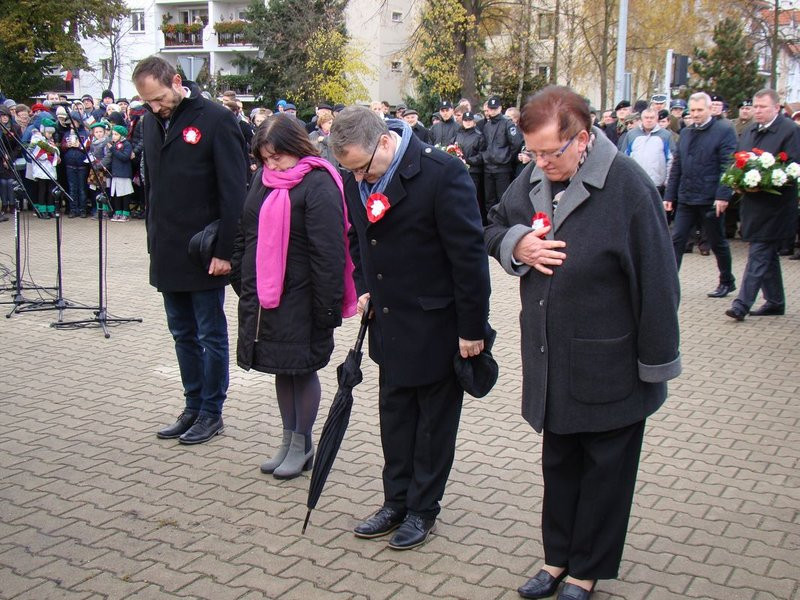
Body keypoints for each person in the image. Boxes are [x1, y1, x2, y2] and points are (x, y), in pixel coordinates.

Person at [485, 86, 681, 600]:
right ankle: (555, 561)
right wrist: (517, 243)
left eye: (553, 151)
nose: (542, 162)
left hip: (611, 363)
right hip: (552, 361)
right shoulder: (533, 178)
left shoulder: (628, 188)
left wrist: (656, 366)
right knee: (559, 465)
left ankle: (585, 571)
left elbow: (660, 285)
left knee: (605, 475)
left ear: (584, 138)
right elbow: (492, 223)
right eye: (534, 151)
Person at [329, 106, 491, 551]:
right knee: (395, 420)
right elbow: (357, 240)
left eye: (362, 168)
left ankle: (423, 509)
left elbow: (469, 258)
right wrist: (363, 287)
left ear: (384, 142)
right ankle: (394, 500)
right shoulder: (353, 175)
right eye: (350, 171)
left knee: (433, 426)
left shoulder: (442, 173)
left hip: (438, 325)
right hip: (388, 323)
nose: (358, 179)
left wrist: (471, 327)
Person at [230, 115, 356, 479]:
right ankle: (288, 440)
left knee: (302, 370)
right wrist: (241, 275)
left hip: (304, 297)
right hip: (267, 297)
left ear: (297, 148)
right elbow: (246, 229)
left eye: (278, 156)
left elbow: (329, 252)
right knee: (281, 369)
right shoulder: (262, 179)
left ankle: (302, 444)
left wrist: (327, 307)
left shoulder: (319, 183)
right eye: (265, 158)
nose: (271, 164)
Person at [133, 55, 247, 444]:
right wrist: (152, 239)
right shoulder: (150, 122)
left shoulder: (216, 119)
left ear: (177, 81)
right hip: (167, 249)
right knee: (181, 333)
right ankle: (192, 405)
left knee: (209, 334)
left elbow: (235, 193)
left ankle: (212, 412)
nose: (154, 107)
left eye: (160, 98)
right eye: (147, 101)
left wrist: (226, 251)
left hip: (204, 250)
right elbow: (154, 188)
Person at [726, 88, 800, 320]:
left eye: (762, 107)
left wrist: (766, 180)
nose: (757, 111)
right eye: (755, 107)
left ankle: (741, 304)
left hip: (776, 205)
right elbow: (739, 160)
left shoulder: (790, 131)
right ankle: (775, 301)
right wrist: (736, 180)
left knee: (759, 251)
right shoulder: (749, 131)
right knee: (765, 254)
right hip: (752, 203)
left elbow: (794, 167)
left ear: (776, 108)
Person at [664, 92, 738, 298]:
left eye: (699, 110)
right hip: (687, 197)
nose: (695, 114)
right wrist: (669, 196)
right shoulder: (686, 133)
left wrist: (723, 195)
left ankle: (727, 280)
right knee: (676, 239)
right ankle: (668, 282)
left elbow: (727, 164)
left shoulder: (724, 131)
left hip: (711, 198)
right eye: (693, 110)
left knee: (717, 241)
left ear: (709, 110)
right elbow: (677, 165)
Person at [481, 95, 523, 214]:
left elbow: (516, 142)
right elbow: (484, 144)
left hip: (502, 168)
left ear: (500, 108)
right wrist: (486, 156)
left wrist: (507, 157)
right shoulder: (487, 126)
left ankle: (502, 224)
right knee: (489, 199)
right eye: (490, 109)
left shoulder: (507, 123)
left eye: (495, 108)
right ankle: (491, 225)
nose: (492, 111)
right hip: (488, 167)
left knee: (502, 198)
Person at [107, 125, 134, 222]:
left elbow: (125, 157)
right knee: (116, 194)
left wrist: (113, 150)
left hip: (124, 173)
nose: (113, 136)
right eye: (112, 134)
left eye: (116, 134)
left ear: (121, 135)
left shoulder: (126, 144)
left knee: (125, 194)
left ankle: (125, 212)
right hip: (115, 173)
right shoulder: (114, 145)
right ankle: (117, 212)